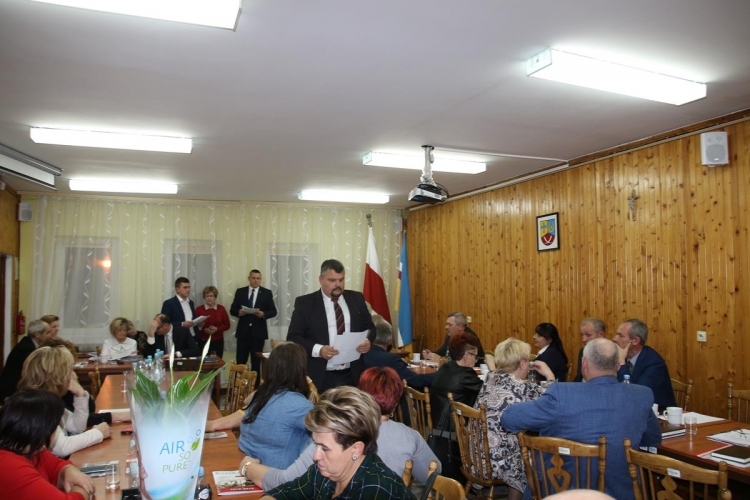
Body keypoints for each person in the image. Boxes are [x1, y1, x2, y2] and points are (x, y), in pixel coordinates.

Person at [501, 338, 661, 500]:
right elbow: (653, 440)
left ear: (584, 363)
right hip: (621, 494)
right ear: (618, 366)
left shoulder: (562, 394)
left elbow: (509, 419)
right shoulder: (642, 395)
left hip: (559, 492)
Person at [240, 367, 441, 490]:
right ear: (396, 402)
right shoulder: (410, 437)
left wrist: (248, 467)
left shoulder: (337, 434)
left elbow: (284, 481)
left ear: (359, 395)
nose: (319, 453)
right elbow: (434, 475)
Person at [259, 386, 415, 500]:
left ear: (356, 449)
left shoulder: (376, 489)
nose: (315, 456)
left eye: (325, 448)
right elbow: (285, 493)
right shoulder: (325, 472)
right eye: (316, 445)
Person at [206, 342, 313, 469]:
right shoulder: (300, 407)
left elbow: (245, 407)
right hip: (275, 474)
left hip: (243, 465)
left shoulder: (260, 395)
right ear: (301, 370)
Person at [475, 338, 555, 500]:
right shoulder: (523, 388)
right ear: (523, 363)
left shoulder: (491, 378)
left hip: (476, 455)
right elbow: (552, 401)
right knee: (536, 457)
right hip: (496, 462)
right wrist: (549, 375)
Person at [287, 259, 373, 393]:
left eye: (341, 280)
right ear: (321, 279)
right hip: (320, 375)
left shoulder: (356, 299)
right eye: (332, 280)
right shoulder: (305, 303)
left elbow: (370, 327)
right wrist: (319, 350)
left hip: (353, 374)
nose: (338, 284)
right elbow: (293, 337)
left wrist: (368, 340)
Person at [0, 389, 96, 499]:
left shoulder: (29, 449)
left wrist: (69, 470)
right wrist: (82, 488)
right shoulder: (10, 467)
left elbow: (58, 467)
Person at [18, 346, 111, 457]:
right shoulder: (37, 405)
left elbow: (77, 427)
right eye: (69, 371)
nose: (72, 375)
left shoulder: (49, 399)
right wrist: (98, 433)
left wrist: (80, 395)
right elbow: (62, 448)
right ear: (57, 376)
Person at [613, 318, 676, 409]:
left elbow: (637, 395)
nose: (614, 339)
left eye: (620, 336)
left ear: (635, 341)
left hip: (658, 414)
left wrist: (622, 363)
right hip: (629, 408)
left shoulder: (654, 363)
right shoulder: (622, 356)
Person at [363, 319, 435, 390]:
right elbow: (416, 381)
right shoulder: (391, 359)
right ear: (390, 340)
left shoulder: (361, 354)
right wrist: (439, 375)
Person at [230, 270, 277, 371]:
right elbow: (232, 310)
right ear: (249, 278)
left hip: (258, 333)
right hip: (243, 333)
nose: (256, 280)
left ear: (261, 279)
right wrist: (239, 312)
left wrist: (263, 314)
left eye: (258, 278)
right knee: (240, 362)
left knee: (256, 363)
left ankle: (256, 382)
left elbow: (273, 311)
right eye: (253, 278)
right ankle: (239, 381)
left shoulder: (266, 293)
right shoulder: (240, 292)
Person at [0, 319, 52, 402]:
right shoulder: (27, 348)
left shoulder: (28, 343)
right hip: (12, 393)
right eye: (48, 333)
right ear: (37, 335)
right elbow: (33, 373)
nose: (50, 336)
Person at [196, 285, 231, 359]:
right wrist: (204, 330)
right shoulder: (199, 309)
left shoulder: (221, 309)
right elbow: (194, 326)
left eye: (211, 296)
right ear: (204, 297)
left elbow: (227, 325)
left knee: (217, 362)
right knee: (203, 363)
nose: (209, 298)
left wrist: (217, 329)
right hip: (203, 341)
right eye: (207, 296)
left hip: (218, 342)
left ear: (215, 297)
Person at [161, 276, 197, 341]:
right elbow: (165, 323)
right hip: (178, 337)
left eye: (189, 287)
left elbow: (192, 319)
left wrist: (197, 322)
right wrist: (182, 324)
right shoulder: (169, 303)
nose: (188, 289)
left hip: (192, 336)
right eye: (185, 287)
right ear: (177, 289)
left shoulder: (191, 303)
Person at [574, 318, 606, 382]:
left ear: (601, 335)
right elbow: (579, 377)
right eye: (582, 335)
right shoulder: (583, 351)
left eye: (588, 335)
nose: (583, 339)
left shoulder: (610, 354)